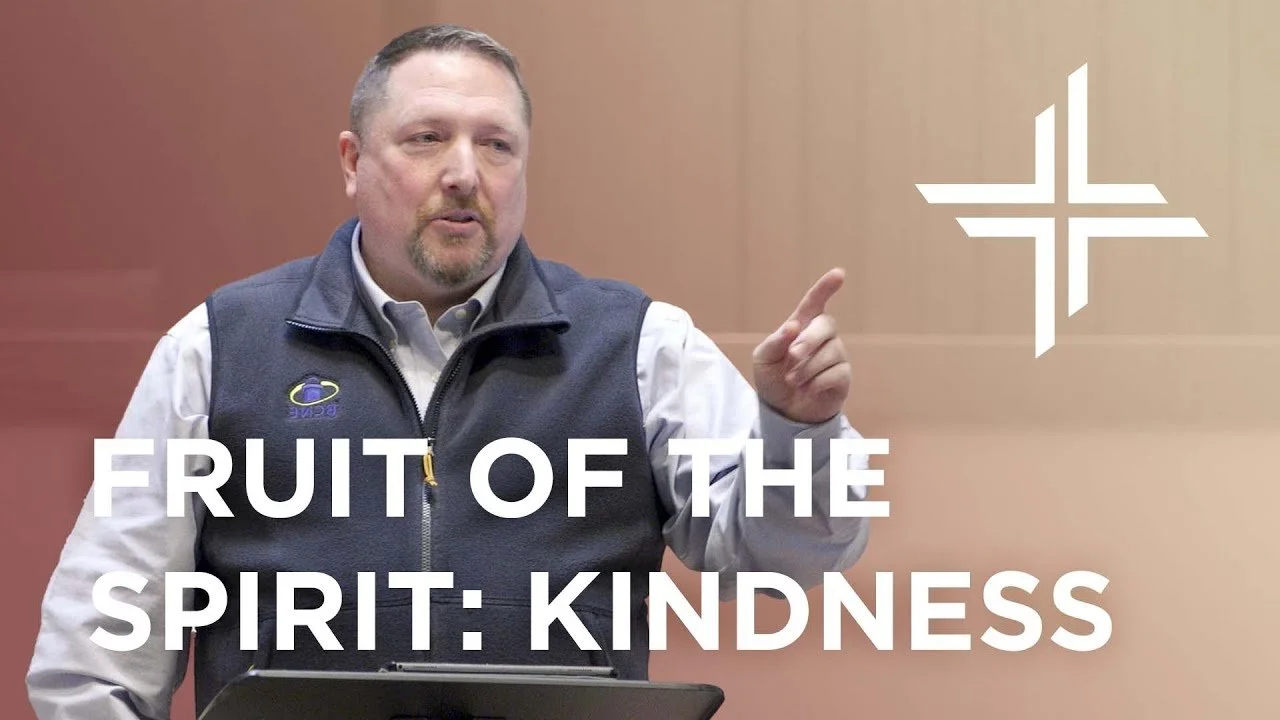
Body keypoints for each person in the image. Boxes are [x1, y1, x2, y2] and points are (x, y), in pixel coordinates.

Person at [27, 24, 872, 719]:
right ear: (353, 161)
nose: (465, 173)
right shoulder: (217, 349)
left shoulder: (642, 346)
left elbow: (783, 563)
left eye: (496, 145)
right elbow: (96, 649)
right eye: (427, 138)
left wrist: (798, 431)